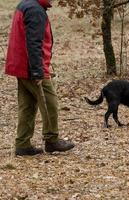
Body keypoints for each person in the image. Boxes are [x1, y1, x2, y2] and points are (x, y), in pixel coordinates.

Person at [5, 0, 75, 156]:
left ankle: (23, 144)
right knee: (50, 103)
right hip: (31, 68)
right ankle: (52, 140)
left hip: (21, 65)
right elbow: (34, 43)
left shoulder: (26, 5)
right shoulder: (35, 10)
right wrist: (38, 72)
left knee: (27, 105)